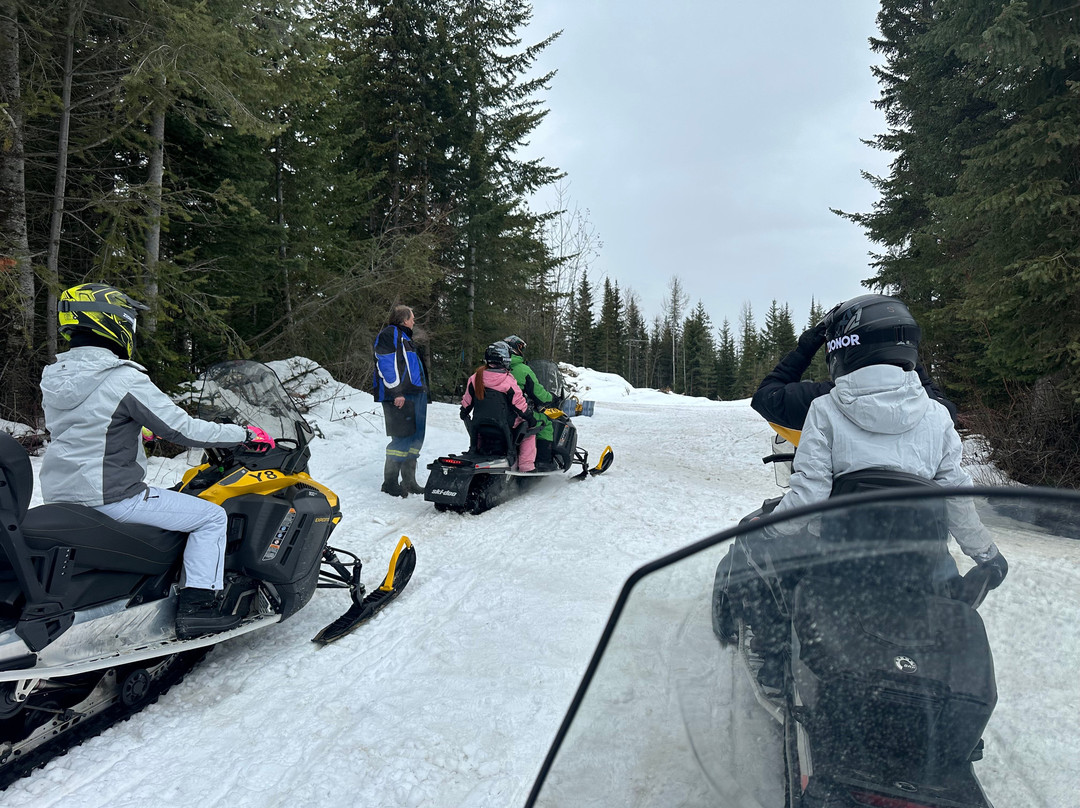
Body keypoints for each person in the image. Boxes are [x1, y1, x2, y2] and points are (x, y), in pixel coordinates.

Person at [751, 295, 1008, 688]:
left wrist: (767, 531)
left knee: (768, 566)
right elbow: (956, 498)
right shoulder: (937, 413)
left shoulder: (824, 407)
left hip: (840, 562)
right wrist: (987, 554)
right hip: (916, 563)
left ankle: (772, 667)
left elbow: (809, 498)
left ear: (839, 349)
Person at [40, 283, 276, 640]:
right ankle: (199, 606)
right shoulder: (122, 377)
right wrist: (244, 434)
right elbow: (182, 429)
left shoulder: (56, 377)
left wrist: (136, 432)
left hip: (62, 496)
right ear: (113, 323)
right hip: (113, 497)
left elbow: (83, 426)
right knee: (211, 516)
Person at [373, 305, 429, 497]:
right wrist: (396, 391)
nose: (414, 322)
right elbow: (386, 364)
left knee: (416, 437)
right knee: (402, 437)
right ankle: (389, 482)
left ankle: (409, 481)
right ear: (404, 320)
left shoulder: (406, 338)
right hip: (400, 396)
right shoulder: (390, 334)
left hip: (415, 395)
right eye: (412, 318)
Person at [460, 341, 538, 472]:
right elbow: (520, 406)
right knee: (529, 431)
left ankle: (478, 450)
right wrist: (531, 419)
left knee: (477, 427)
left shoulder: (475, 378)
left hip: (480, 423)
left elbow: (467, 402)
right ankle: (526, 467)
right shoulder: (508, 381)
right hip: (505, 424)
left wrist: (463, 412)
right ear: (505, 359)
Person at [503, 335, 557, 470]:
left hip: (498, 412)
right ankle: (543, 461)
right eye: (521, 347)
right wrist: (552, 398)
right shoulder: (522, 369)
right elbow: (538, 393)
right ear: (516, 349)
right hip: (517, 413)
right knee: (545, 422)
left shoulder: (492, 368)